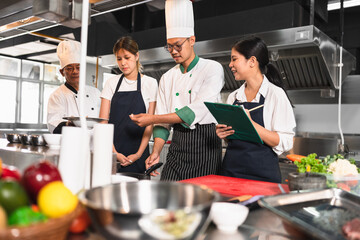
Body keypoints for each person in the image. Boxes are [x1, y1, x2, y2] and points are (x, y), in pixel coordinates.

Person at [130, 0, 224, 181]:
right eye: (169, 46)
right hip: (178, 146)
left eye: (178, 45)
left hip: (206, 147)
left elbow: (192, 112)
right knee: (167, 197)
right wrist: (156, 151)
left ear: (192, 40)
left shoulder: (212, 69)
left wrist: (152, 118)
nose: (173, 51)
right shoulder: (167, 77)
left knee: (200, 202)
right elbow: (163, 124)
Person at [216, 37, 296, 183]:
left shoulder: (275, 94)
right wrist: (224, 133)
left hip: (262, 177)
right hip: (230, 173)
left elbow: (286, 141)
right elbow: (233, 139)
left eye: (234, 59)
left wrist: (251, 124)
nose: (230, 65)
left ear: (252, 61)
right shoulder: (233, 97)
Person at [99, 36, 158, 173]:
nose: (123, 63)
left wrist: (138, 155)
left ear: (136, 56)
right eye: (119, 59)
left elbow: (150, 123)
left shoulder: (150, 83)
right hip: (112, 152)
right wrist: (114, 153)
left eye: (127, 57)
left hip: (139, 154)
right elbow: (103, 122)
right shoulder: (111, 83)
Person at [47, 40, 101, 134]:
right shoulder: (57, 96)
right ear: (62, 72)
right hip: (71, 142)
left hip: (93, 142)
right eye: (69, 68)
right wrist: (68, 124)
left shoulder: (96, 93)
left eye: (78, 67)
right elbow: (53, 123)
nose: (75, 71)